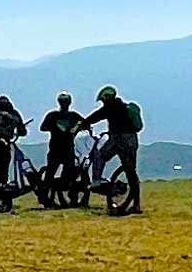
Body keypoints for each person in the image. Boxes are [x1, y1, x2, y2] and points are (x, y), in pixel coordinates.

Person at [82, 84, 143, 213]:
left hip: (116, 139)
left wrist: (82, 124)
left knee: (100, 156)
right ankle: (136, 204)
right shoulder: (125, 107)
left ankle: (97, 180)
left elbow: (95, 117)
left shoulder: (109, 108)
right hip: (132, 140)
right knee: (131, 172)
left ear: (106, 98)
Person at [39, 91, 86, 196]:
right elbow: (85, 123)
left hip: (60, 148)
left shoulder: (53, 115)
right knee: (58, 171)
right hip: (63, 148)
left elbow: (43, 127)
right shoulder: (71, 115)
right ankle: (49, 192)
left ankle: (47, 192)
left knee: (56, 171)